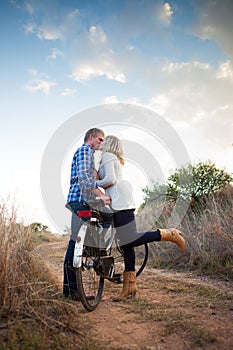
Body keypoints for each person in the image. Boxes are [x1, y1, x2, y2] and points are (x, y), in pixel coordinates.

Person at [96, 135, 186, 301]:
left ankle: (168, 234)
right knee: (126, 245)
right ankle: (129, 288)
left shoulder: (108, 155)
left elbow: (110, 179)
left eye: (104, 140)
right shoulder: (107, 158)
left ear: (109, 143)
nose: (100, 142)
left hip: (121, 201)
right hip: (118, 201)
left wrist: (93, 184)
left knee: (128, 241)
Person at [63, 128, 111, 300]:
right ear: (91, 137)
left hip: (81, 200)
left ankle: (71, 289)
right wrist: (101, 195)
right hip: (80, 200)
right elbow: (84, 179)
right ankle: (71, 290)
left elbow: (90, 177)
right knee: (75, 241)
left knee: (77, 241)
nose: (102, 143)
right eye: (100, 139)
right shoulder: (84, 150)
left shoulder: (89, 154)